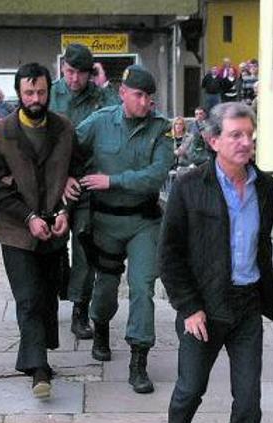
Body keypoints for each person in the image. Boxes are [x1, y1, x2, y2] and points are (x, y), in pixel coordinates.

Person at [159, 102, 273, 423]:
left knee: (249, 398)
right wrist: (189, 307)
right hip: (203, 308)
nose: (246, 142)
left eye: (249, 134)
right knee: (189, 390)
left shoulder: (268, 189)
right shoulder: (188, 187)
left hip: (247, 306)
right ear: (213, 141)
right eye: (236, 135)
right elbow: (170, 255)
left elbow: (261, 245)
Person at [0, 63, 81, 398]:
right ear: (18, 94)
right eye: (29, 93)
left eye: (41, 92)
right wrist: (27, 217)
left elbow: (77, 173)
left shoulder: (65, 129)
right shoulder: (2, 133)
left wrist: (66, 210)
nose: (36, 98)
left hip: (54, 231)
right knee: (27, 298)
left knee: (47, 297)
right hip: (16, 231)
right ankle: (39, 370)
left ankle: (36, 354)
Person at [75, 65, 173, 394]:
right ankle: (100, 326)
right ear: (123, 93)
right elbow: (70, 148)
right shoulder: (100, 122)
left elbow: (157, 175)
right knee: (105, 287)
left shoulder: (160, 130)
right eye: (139, 95)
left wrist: (111, 180)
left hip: (143, 221)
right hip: (104, 222)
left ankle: (138, 360)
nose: (146, 103)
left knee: (143, 287)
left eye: (150, 97)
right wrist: (68, 180)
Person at [49, 43, 121, 341]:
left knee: (84, 247)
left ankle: (80, 309)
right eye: (69, 72)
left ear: (90, 74)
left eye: (80, 74)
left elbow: (119, 121)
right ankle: (50, 302)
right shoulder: (50, 93)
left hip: (89, 183)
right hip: (55, 183)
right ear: (62, 68)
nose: (74, 79)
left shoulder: (102, 96)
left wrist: (104, 85)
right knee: (52, 247)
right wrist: (60, 177)